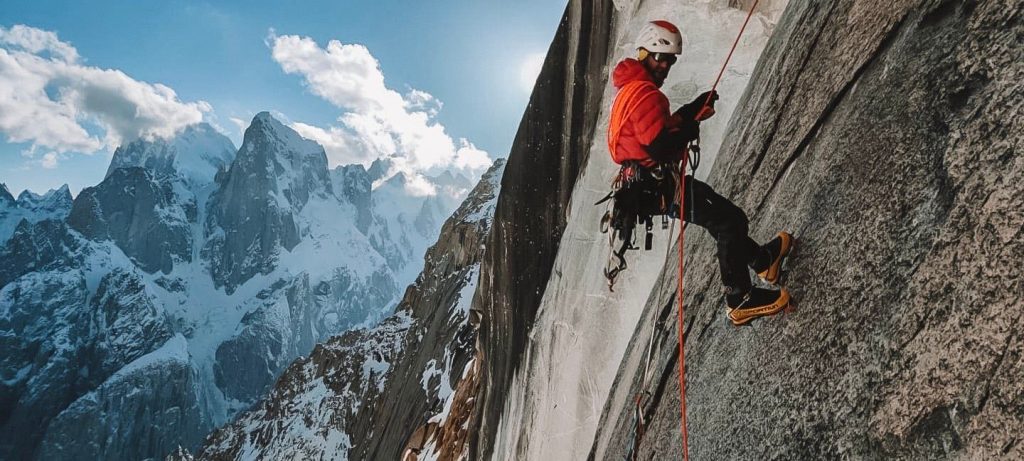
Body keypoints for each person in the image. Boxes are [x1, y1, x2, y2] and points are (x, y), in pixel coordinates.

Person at [606, 20, 793, 325]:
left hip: (645, 185)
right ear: (645, 54)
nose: (665, 66)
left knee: (717, 213)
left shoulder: (631, 90)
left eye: (670, 60)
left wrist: (692, 110)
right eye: (660, 58)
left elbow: (656, 131)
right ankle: (740, 299)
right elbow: (660, 148)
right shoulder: (645, 94)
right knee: (729, 221)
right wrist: (693, 124)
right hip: (654, 185)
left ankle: (763, 261)